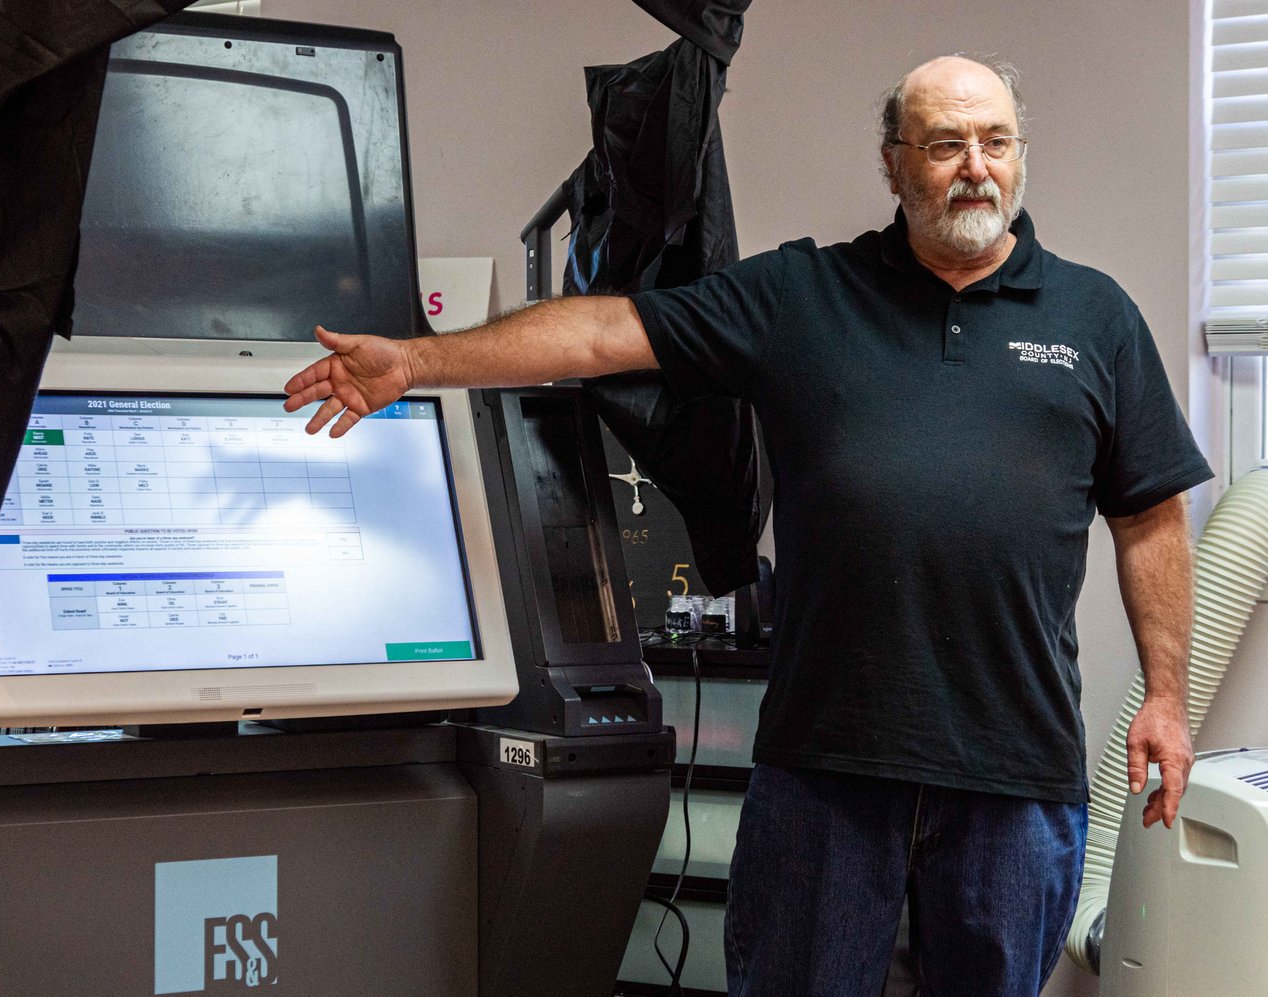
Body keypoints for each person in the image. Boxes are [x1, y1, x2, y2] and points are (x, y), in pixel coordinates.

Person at [285, 55, 1211, 996]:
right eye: (944, 144)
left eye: (996, 141)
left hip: (1015, 776)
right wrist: (415, 361)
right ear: (894, 163)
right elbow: (606, 334)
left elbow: (1149, 515)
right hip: (826, 773)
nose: (976, 165)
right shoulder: (805, 297)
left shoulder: (1099, 319)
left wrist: (1167, 696)